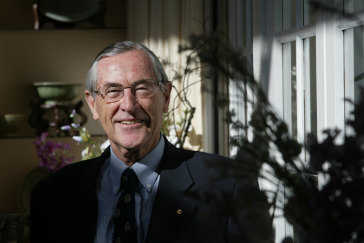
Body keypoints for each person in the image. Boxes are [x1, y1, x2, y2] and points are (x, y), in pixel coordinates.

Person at [29, 41, 272, 243]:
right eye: (113, 91)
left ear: (165, 97)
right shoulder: (52, 195)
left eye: (142, 88)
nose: (128, 105)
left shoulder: (230, 185)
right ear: (93, 104)